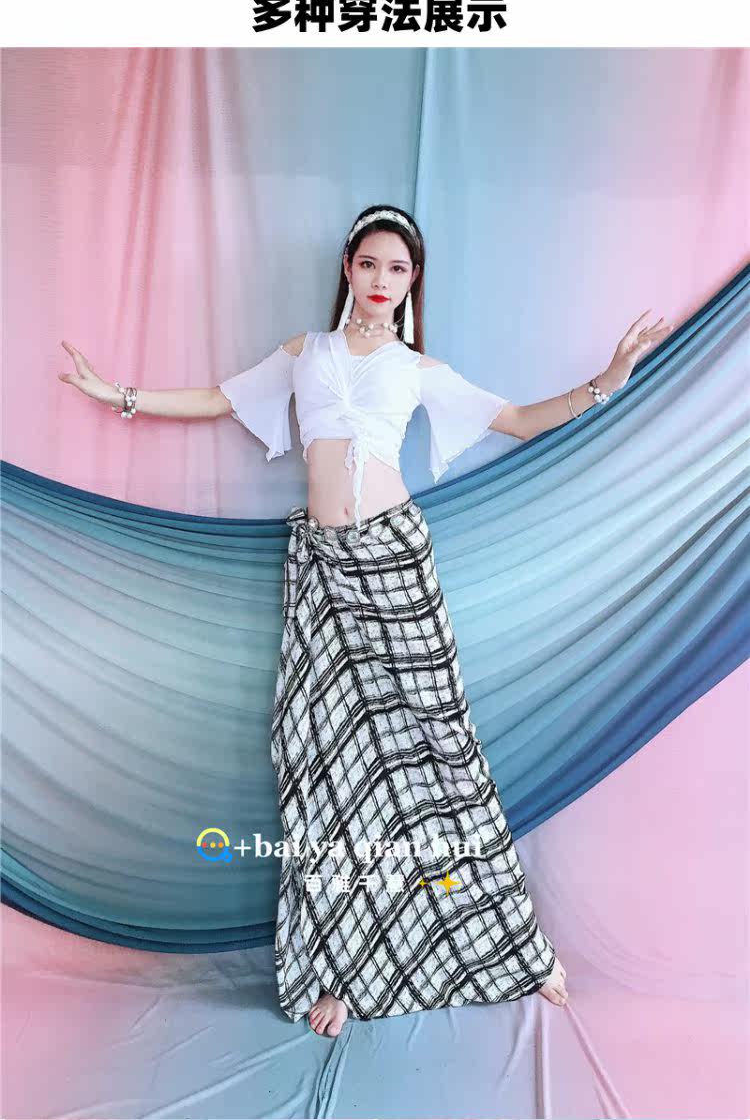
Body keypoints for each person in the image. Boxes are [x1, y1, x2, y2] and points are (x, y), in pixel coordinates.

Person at [58, 204, 672, 1038]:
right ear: (348, 267)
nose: (383, 281)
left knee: (441, 759)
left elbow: (522, 419)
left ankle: (517, 949)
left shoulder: (418, 369)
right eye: (371, 264)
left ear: (413, 283)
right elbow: (216, 398)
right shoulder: (304, 354)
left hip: (397, 565)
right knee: (328, 768)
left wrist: (611, 376)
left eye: (399, 270)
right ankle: (343, 969)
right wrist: (118, 395)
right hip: (321, 570)